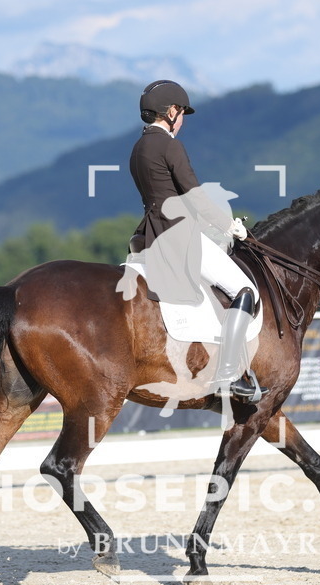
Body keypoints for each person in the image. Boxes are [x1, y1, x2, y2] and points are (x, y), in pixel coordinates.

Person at [126, 79, 264, 404]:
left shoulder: (138, 148)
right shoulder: (170, 146)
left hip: (149, 235)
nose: (183, 119)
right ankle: (230, 375)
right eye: (182, 112)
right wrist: (230, 226)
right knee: (246, 291)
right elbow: (195, 195)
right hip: (180, 236)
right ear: (171, 111)